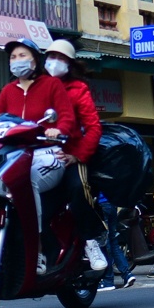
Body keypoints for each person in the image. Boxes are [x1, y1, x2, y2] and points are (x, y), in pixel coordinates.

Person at [0, 38, 77, 273]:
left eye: (22, 56)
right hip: (15, 155)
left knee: (27, 179)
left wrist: (58, 130)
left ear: (35, 59)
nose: (17, 61)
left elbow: (67, 118)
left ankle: (39, 249)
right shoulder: (8, 91)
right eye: (13, 57)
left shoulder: (51, 85)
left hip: (48, 153)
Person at [44, 39, 109, 274]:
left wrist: (78, 155)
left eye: (61, 59)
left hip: (69, 156)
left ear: (69, 64)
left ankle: (91, 241)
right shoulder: (37, 87)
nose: (55, 63)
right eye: (52, 57)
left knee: (76, 190)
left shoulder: (78, 89)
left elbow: (93, 128)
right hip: (39, 157)